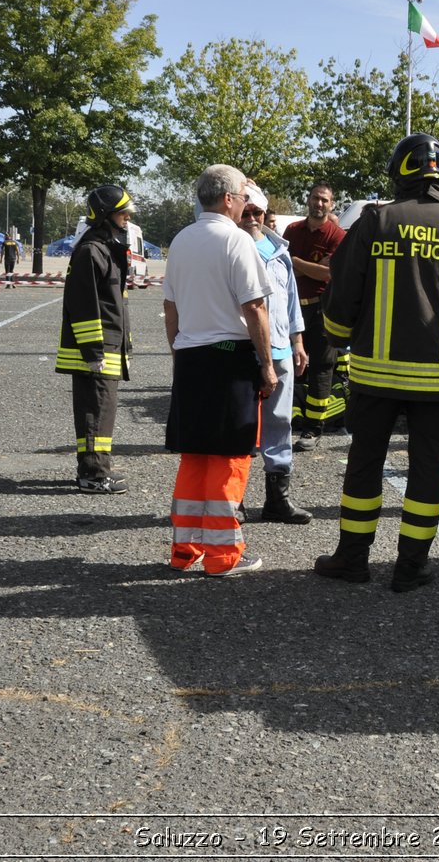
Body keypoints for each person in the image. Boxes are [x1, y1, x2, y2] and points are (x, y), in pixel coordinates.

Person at [313, 134, 439, 592]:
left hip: (374, 375)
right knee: (427, 470)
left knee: (365, 465)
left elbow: (341, 294)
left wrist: (337, 340)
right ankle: (409, 568)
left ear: (400, 172)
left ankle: (353, 560)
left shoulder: (376, 222)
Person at [163, 165, 278, 577]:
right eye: (244, 196)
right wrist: (266, 364)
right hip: (230, 360)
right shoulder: (237, 241)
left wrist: (179, 354)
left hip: (191, 357)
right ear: (228, 198)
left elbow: (171, 308)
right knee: (230, 458)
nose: (248, 204)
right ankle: (223, 555)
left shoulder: (180, 241)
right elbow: (255, 307)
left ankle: (184, 549)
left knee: (194, 456)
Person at [239, 180, 312, 523]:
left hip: (281, 347)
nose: (252, 218)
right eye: (247, 211)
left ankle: (277, 500)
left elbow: (291, 301)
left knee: (280, 422)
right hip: (243, 348)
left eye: (258, 212)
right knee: (241, 424)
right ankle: (233, 500)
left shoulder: (279, 251)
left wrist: (298, 342)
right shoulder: (234, 248)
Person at [54, 186, 134, 494]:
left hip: (106, 348)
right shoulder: (91, 251)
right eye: (122, 213)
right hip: (95, 352)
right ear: (104, 216)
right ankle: (93, 475)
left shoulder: (104, 248)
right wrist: (92, 351)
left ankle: (97, 469)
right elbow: (83, 304)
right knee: (95, 413)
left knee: (103, 412)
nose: (127, 218)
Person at [283, 182, 346, 449]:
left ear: (331, 205)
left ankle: (313, 428)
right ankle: (292, 420)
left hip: (321, 309)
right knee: (291, 366)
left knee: (321, 367)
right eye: (315, 198)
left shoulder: (337, 235)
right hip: (293, 306)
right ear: (307, 200)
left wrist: (294, 262)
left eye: (324, 200)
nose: (319, 204)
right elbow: (281, 270)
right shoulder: (292, 230)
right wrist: (311, 267)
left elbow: (328, 273)